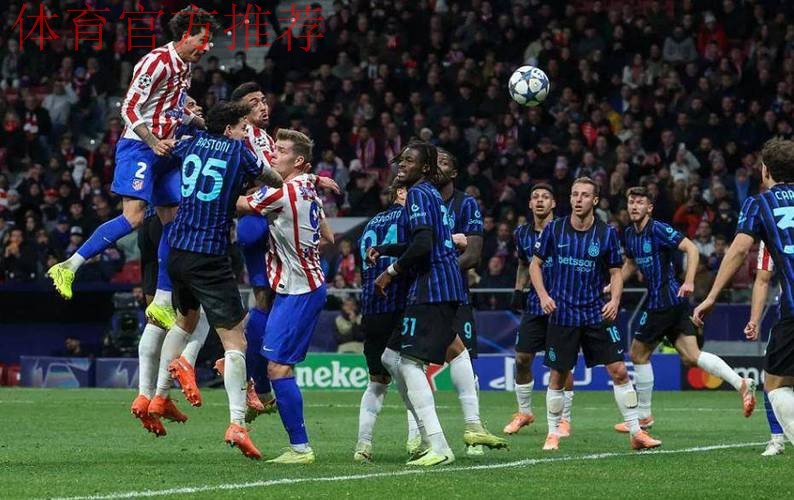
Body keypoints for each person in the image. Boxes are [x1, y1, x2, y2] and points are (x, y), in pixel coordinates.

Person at [47, 8, 220, 333]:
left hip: (166, 148)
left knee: (175, 218)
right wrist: (153, 142)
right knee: (135, 217)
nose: (207, 47)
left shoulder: (185, 66)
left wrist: (193, 120)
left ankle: (162, 301)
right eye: (203, 39)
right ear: (185, 36)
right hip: (140, 146)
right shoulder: (155, 62)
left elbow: (170, 105)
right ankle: (69, 265)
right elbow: (128, 108)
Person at [148, 101, 283, 459]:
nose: (244, 133)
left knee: (184, 321)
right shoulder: (239, 152)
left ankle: (160, 396)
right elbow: (270, 178)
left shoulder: (189, 142)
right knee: (236, 340)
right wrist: (288, 178)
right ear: (228, 129)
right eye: (241, 128)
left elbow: (166, 153)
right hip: (209, 254)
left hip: (178, 249)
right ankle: (237, 423)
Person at [530, 177, 661, 451]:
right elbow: (535, 265)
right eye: (575, 194)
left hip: (595, 313)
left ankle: (636, 432)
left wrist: (615, 300)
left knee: (620, 371)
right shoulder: (555, 229)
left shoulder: (607, 233)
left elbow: (616, 272)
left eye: (585, 195)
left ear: (595, 200)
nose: (578, 199)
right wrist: (543, 296)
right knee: (558, 375)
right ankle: (552, 433)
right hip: (563, 314)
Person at [612, 186, 755, 435]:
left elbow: (691, 248)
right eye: (631, 202)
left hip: (663, 302)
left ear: (649, 208)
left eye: (640, 202)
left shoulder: (658, 229)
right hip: (673, 304)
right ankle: (741, 383)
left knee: (638, 354)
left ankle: (643, 416)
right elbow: (631, 264)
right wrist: (614, 284)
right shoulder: (630, 234)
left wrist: (689, 281)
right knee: (691, 355)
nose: (634, 206)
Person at [239, 128, 339, 464]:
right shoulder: (306, 185)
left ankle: (301, 448)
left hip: (300, 291)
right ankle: (287, 431)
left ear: (297, 161)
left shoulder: (282, 192)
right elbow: (329, 238)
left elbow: (239, 204)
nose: (273, 154)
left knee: (279, 369)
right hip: (294, 287)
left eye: (280, 151)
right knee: (272, 361)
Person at [694, 138, 794, 447]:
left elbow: (738, 251)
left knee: (775, 386)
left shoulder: (759, 203)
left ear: (765, 171)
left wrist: (711, 296)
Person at [370, 142, 464, 466]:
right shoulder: (431, 194)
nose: (402, 165)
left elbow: (423, 245)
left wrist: (390, 272)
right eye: (401, 160)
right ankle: (427, 437)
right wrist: (387, 249)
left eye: (410, 161)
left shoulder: (419, 194)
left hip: (433, 288)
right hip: (436, 288)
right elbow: (422, 241)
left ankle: (437, 444)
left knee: (409, 363)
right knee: (390, 356)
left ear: (425, 168)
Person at [130, 97, 213, 437]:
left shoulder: (158, 133)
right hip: (173, 223)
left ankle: (144, 394)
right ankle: (178, 371)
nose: (196, 109)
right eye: (190, 104)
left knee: (158, 315)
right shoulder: (188, 136)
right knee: (197, 313)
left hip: (152, 224)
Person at [208, 82, 282, 423]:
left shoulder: (264, 137)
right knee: (264, 298)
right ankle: (256, 383)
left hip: (270, 217)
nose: (263, 106)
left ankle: (248, 374)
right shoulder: (240, 137)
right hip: (256, 220)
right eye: (254, 102)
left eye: (264, 99)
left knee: (268, 300)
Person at [504, 184, 575, 436]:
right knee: (522, 359)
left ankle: (564, 419)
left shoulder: (565, 230)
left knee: (561, 364)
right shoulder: (521, 234)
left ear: (553, 203)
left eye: (546, 197)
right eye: (535, 197)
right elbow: (524, 264)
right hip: (534, 304)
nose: (540, 201)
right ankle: (524, 412)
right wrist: (518, 290)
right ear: (530, 204)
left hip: (562, 305)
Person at [353, 183, 409, 463]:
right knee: (411, 374)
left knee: (377, 381)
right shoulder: (409, 217)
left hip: (371, 307)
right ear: (400, 192)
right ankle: (417, 440)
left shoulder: (370, 224)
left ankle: (362, 444)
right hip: (398, 302)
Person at [745, 241, 786, 456]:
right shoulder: (771, 235)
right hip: (787, 321)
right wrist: (755, 319)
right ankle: (777, 438)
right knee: (772, 380)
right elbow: (762, 279)